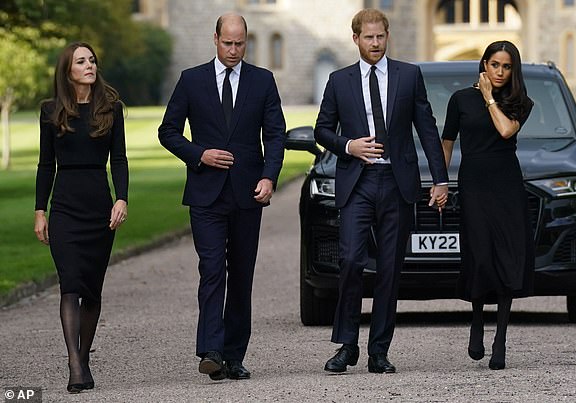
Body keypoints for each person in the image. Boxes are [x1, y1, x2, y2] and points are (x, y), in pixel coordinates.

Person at [315, 8, 449, 374]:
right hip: (357, 182)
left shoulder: (409, 75)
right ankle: (346, 345)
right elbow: (321, 130)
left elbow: (426, 127)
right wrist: (349, 146)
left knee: (390, 268)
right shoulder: (339, 80)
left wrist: (440, 179)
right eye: (368, 37)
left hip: (397, 182)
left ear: (387, 35)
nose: (375, 43)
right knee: (351, 260)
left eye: (380, 36)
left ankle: (379, 351)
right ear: (355, 38)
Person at [158, 13, 285, 381]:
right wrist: (200, 155)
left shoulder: (262, 81)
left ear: (247, 41)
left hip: (248, 194)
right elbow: (168, 131)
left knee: (241, 276)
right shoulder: (191, 80)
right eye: (227, 43)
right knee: (212, 270)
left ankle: (233, 356)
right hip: (205, 194)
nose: (233, 50)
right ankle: (211, 350)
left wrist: (269, 177)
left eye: (240, 43)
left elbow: (275, 135)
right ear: (215, 39)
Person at [34, 42, 128, 393]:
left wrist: (122, 198)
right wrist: (39, 210)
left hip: (99, 209)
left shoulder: (111, 109)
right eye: (81, 61)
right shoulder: (50, 111)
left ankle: (83, 357)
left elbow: (119, 159)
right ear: (68, 70)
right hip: (65, 209)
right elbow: (46, 166)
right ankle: (75, 365)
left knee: (91, 289)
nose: (89, 65)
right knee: (70, 284)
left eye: (92, 60)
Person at [441, 40, 534, 370]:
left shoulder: (519, 101)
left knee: (507, 256)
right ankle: (478, 321)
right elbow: (447, 142)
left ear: (513, 70)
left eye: (507, 66)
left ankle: (501, 340)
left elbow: (506, 130)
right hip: (474, 185)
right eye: (495, 64)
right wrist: (440, 181)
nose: (500, 71)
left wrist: (489, 98)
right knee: (480, 255)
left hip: (506, 185)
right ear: (484, 64)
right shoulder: (460, 100)